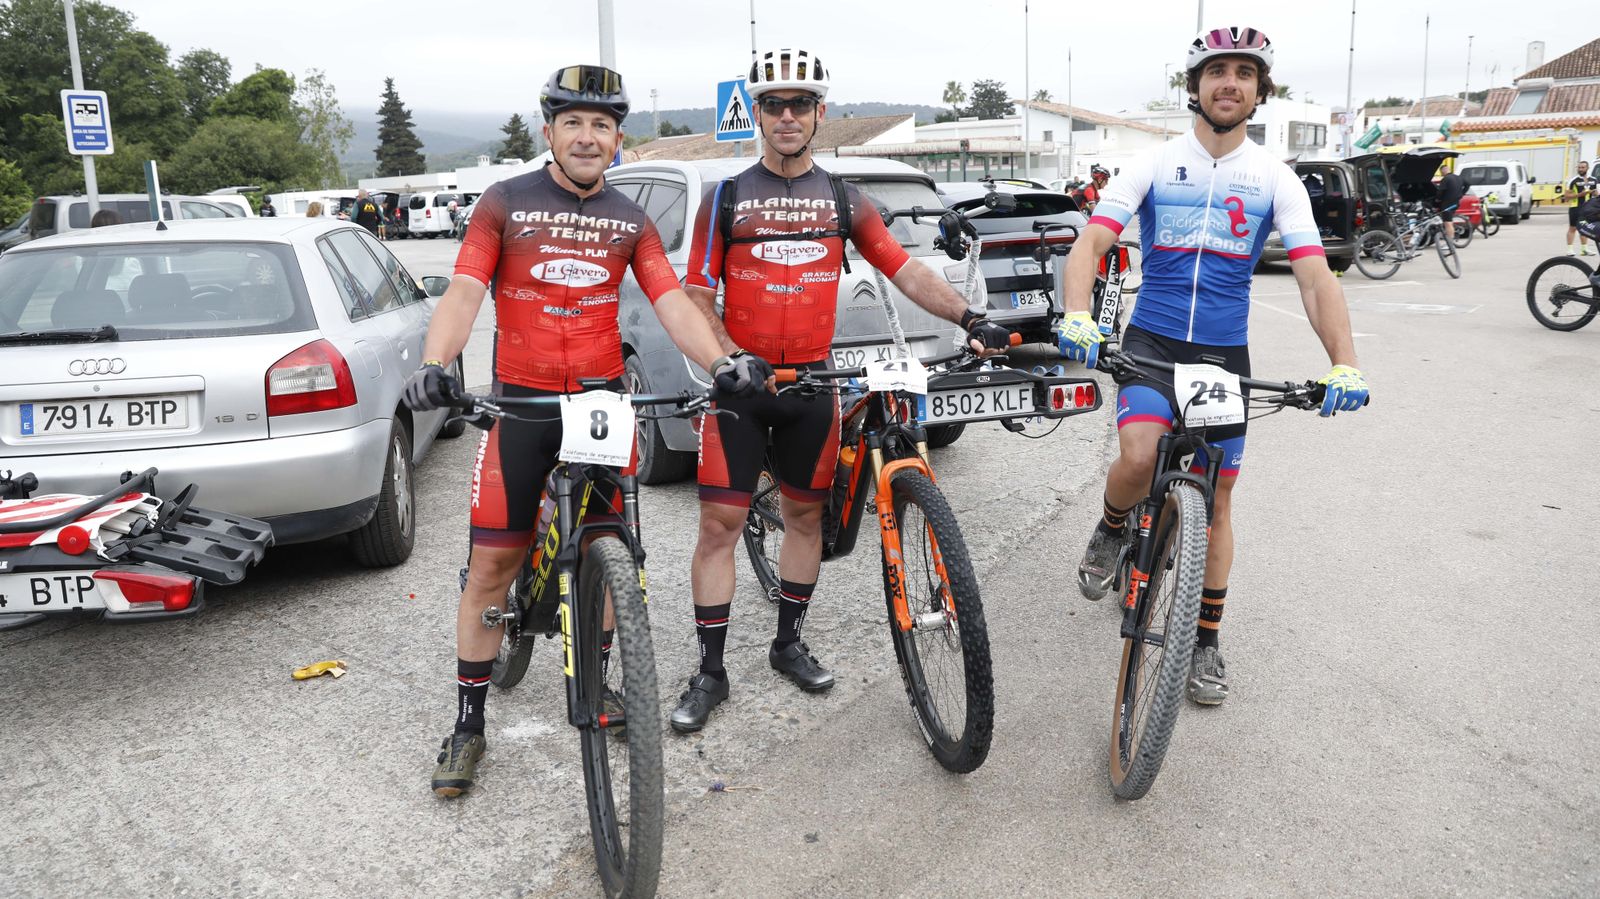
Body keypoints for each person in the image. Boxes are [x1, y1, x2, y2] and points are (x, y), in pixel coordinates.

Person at [400, 64, 737, 798]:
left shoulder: (629, 217)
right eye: (574, 122)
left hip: (601, 403)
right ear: (549, 130)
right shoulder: (505, 202)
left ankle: (601, 672)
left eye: (603, 124)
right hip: (521, 403)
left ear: (619, 139)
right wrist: (437, 361)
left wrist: (724, 360)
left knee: (611, 546)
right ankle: (468, 722)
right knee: (492, 566)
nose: (588, 136)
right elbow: (463, 289)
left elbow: (672, 301)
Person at [669, 46, 1014, 733]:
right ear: (758, 115)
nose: (788, 116)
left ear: (820, 113)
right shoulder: (728, 197)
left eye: (800, 104)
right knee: (719, 526)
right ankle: (710, 669)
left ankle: (787, 641)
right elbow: (696, 293)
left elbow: (903, 270)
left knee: (805, 521)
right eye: (774, 105)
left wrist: (969, 315)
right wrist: (729, 357)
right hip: (744, 383)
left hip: (813, 382)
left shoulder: (842, 199)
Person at [1056, 26, 1369, 707]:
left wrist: (1344, 361)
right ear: (1195, 86)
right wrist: (1077, 312)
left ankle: (1204, 641)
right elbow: (1092, 243)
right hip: (1152, 345)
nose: (1230, 82)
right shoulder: (1152, 163)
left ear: (1259, 91)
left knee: (1220, 502)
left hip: (1225, 357)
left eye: (1245, 73)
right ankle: (1113, 527)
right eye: (1217, 71)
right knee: (1138, 455)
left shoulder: (1275, 179)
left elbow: (1316, 278)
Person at [1564, 160, 1598, 256]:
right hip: (1575, 207)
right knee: (1573, 228)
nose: (1580, 169)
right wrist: (1580, 194)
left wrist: (1594, 192)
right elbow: (1566, 196)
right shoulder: (1573, 180)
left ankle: (1584, 249)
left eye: (1583, 167)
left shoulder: (1594, 180)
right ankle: (1569, 249)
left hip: (1588, 208)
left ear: (1587, 168)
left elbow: (1597, 194)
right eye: (1579, 167)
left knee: (1585, 228)